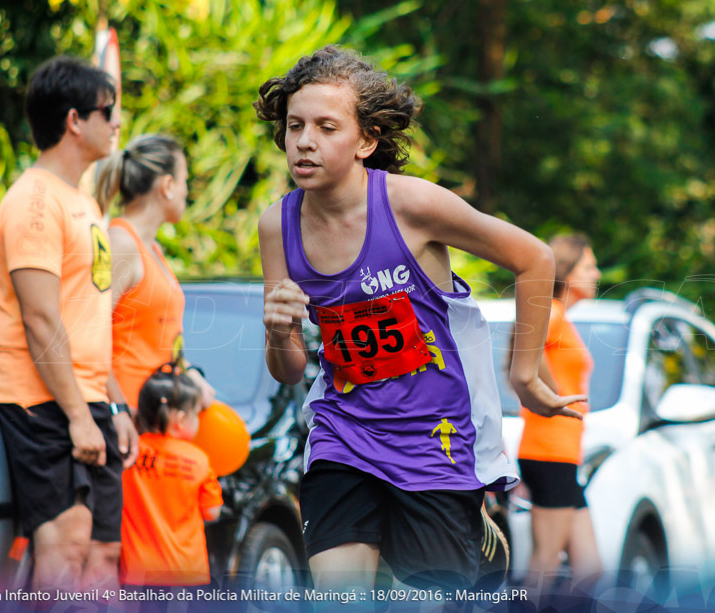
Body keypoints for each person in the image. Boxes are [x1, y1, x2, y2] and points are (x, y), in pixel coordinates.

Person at [255, 45, 584, 591]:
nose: (305, 140)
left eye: (326, 127)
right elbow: (289, 370)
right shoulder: (278, 226)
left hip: (438, 439)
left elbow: (535, 259)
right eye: (295, 126)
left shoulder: (413, 206)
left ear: (366, 140)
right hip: (345, 431)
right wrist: (276, 330)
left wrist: (523, 376)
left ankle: (476, 528)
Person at [0, 55, 137, 592]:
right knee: (66, 548)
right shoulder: (35, 202)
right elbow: (41, 319)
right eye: (108, 110)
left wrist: (111, 405)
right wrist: (77, 416)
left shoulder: (82, 202)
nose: (117, 122)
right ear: (75, 120)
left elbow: (87, 315)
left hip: (85, 397)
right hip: (39, 399)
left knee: (102, 554)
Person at [94, 134, 215, 413]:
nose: (187, 190)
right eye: (185, 180)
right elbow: (89, 336)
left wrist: (190, 375)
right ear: (168, 186)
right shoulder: (121, 244)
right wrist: (119, 409)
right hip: (130, 418)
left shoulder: (152, 249)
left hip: (157, 416)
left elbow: (159, 337)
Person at [516, 233, 602, 592]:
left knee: (589, 568)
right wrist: (554, 395)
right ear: (566, 270)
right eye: (589, 266)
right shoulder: (550, 312)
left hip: (563, 453)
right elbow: (521, 357)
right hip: (547, 450)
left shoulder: (561, 316)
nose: (597, 274)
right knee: (545, 562)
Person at [119, 366, 223, 585]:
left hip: (138, 576)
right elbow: (212, 512)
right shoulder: (199, 460)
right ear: (182, 419)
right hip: (188, 575)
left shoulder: (129, 452)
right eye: (197, 414)